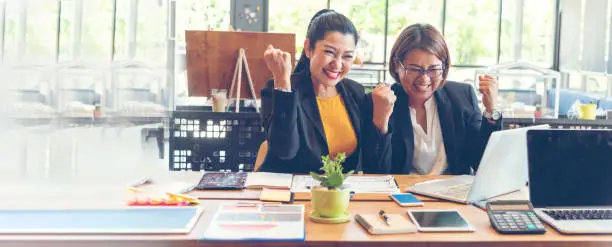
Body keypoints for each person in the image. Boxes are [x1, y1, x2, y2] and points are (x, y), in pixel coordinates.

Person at [258, 9, 387, 173]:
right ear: (308, 48)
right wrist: (283, 82)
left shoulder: (355, 92)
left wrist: (382, 121)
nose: (337, 64)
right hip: (288, 194)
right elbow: (284, 151)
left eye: (347, 56)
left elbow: (375, 166)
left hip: (341, 195)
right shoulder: (280, 88)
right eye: (329, 52)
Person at [365, 23, 502, 175]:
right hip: (402, 195)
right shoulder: (380, 102)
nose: (424, 79)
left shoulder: (462, 97)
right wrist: (381, 122)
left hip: (451, 195)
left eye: (433, 69)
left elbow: (482, 163)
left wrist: (491, 110)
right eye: (414, 69)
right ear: (397, 65)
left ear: (444, 68)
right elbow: (376, 173)